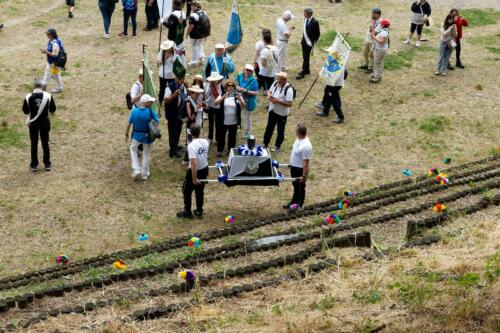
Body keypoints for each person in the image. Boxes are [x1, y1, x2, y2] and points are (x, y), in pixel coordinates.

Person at [23, 79, 57, 172]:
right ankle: (47, 163)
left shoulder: (28, 96)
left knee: (34, 144)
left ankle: (34, 164)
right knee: (45, 143)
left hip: (33, 124)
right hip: (44, 123)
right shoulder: (48, 96)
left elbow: (25, 111)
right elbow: (53, 110)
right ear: (42, 87)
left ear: (33, 87)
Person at [177, 124, 209, 219]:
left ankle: (187, 211)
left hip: (196, 170)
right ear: (200, 132)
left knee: (186, 190)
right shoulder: (205, 142)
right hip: (204, 168)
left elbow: (194, 163)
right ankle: (199, 211)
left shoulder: (191, 145)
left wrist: (194, 178)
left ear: (190, 133)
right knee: (200, 190)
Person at [125, 94, 160, 180]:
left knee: (133, 149)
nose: (152, 102)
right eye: (150, 101)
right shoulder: (150, 111)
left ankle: (136, 168)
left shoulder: (134, 111)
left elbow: (129, 124)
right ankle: (144, 174)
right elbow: (157, 120)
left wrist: (126, 134)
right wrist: (158, 110)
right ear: (146, 103)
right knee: (146, 154)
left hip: (136, 136)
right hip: (147, 137)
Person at [263, 72, 294, 152]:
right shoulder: (275, 83)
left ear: (284, 80)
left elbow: (290, 104)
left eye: (279, 79)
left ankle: (277, 145)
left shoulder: (289, 89)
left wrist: (278, 101)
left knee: (280, 130)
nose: (278, 80)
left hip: (282, 114)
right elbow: (269, 91)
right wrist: (269, 95)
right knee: (269, 128)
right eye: (278, 78)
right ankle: (265, 143)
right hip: (272, 110)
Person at [283, 124, 312, 210]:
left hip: (299, 169)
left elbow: (306, 163)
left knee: (300, 187)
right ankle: (294, 201)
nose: (295, 131)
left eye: (296, 130)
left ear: (299, 133)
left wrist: (304, 176)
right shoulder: (298, 139)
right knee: (295, 186)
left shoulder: (306, 146)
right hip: (294, 167)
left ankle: (299, 204)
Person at [214, 80, 245, 157]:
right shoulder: (223, 94)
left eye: (232, 86)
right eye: (229, 86)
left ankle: (230, 150)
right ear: (226, 87)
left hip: (233, 121)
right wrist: (223, 98)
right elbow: (215, 103)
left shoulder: (238, 95)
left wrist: (239, 98)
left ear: (234, 88)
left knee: (232, 137)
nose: (230, 87)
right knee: (221, 136)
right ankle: (220, 150)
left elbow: (244, 106)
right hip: (223, 121)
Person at [164, 76, 187, 159]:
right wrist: (174, 95)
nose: (183, 80)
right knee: (173, 133)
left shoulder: (183, 86)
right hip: (172, 114)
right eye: (181, 78)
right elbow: (166, 100)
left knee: (178, 131)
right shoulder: (169, 87)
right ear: (176, 78)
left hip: (180, 113)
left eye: (183, 78)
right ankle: (172, 152)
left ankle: (175, 146)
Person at [235, 64, 259, 138]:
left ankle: (247, 132)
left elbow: (256, 93)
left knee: (247, 117)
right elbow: (235, 83)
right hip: (239, 99)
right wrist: (237, 87)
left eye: (250, 71)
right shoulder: (239, 76)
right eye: (247, 70)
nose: (248, 72)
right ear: (244, 69)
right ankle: (238, 127)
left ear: (252, 72)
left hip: (248, 101)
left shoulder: (253, 80)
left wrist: (246, 91)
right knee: (237, 114)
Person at [296, 7, 320, 80]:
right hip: (304, 41)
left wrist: (313, 41)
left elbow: (318, 33)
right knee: (305, 56)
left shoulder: (315, 22)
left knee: (306, 57)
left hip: (309, 43)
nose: (303, 14)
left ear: (309, 14)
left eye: (305, 13)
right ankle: (307, 70)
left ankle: (303, 72)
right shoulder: (305, 19)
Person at [186, 1, 210, 67]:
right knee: (199, 45)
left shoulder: (193, 15)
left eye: (193, 6)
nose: (191, 7)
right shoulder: (204, 12)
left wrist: (187, 33)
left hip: (195, 35)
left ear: (197, 7)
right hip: (203, 33)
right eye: (191, 5)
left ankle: (193, 62)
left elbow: (191, 26)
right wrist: (205, 34)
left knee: (193, 47)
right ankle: (201, 57)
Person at [359, 7, 382, 73]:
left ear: (377, 14)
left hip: (373, 40)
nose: (372, 14)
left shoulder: (381, 22)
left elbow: (376, 32)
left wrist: (372, 30)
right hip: (368, 39)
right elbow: (371, 28)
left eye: (373, 13)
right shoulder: (373, 19)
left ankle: (371, 67)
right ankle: (366, 64)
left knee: (371, 54)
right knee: (365, 52)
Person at [41, 28, 64, 94]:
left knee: (46, 75)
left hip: (54, 63)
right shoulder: (53, 40)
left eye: (48, 34)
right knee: (57, 75)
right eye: (46, 34)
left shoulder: (55, 43)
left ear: (52, 35)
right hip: (56, 62)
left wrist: (46, 52)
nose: (47, 35)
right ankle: (60, 88)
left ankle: (42, 90)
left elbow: (55, 55)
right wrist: (46, 50)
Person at [256, 29, 279, 94]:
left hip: (264, 72)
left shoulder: (264, 50)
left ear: (264, 40)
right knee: (271, 88)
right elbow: (277, 59)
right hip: (272, 72)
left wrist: (267, 65)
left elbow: (263, 63)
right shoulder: (275, 48)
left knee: (257, 84)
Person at [204, 72, 224, 144]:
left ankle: (218, 138)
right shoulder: (209, 86)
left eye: (216, 80)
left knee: (218, 124)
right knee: (210, 123)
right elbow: (206, 96)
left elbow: (222, 96)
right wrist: (209, 87)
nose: (215, 81)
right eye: (213, 80)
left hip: (219, 107)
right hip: (211, 106)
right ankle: (210, 137)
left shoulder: (221, 86)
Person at [370, 19, 390, 84]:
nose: (380, 24)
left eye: (381, 24)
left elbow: (381, 41)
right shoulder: (385, 30)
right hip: (381, 49)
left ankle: (377, 77)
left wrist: (374, 37)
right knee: (380, 62)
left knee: (377, 63)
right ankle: (377, 74)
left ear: (383, 25)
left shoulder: (384, 32)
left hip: (380, 49)